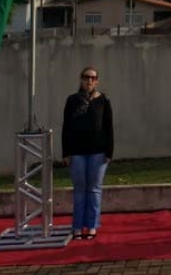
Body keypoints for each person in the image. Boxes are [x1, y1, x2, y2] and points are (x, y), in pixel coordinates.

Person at [62, 66, 114, 240]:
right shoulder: (72, 100)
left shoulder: (104, 101)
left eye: (93, 78)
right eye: (86, 77)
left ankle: (92, 226)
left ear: (97, 81)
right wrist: (66, 153)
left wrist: (109, 152)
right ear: (81, 79)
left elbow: (109, 127)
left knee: (94, 190)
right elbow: (66, 128)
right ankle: (77, 227)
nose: (89, 81)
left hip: (98, 153)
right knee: (79, 190)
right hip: (77, 153)